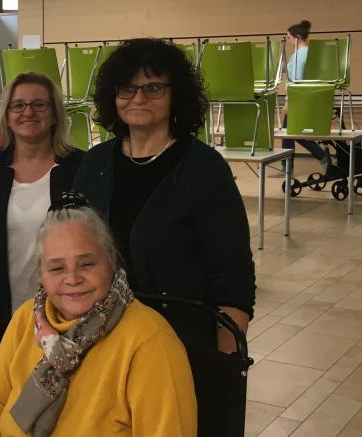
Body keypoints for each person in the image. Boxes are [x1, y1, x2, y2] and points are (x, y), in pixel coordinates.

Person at [73, 37, 255, 436]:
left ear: (176, 96)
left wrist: (225, 365)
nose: (139, 97)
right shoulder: (95, 163)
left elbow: (233, 276)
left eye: (153, 87)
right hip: (101, 345)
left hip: (184, 349)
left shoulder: (205, 170)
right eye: (127, 88)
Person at [0, 194, 196, 437]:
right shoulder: (27, 319)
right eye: (57, 268)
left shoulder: (151, 341)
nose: (72, 279)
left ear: (111, 261)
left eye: (87, 264)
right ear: (41, 275)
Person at [0, 72, 84, 396]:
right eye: (18, 105)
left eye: (39, 104)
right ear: (7, 116)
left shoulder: (80, 168)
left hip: (66, 319)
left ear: (55, 113)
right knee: (1, 407)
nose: (28, 112)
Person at [279, 19, 329, 175]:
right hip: (310, 99)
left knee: (291, 133)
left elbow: (296, 81)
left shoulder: (299, 55)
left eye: (289, 38)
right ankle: (318, 158)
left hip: (298, 99)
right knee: (292, 133)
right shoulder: (311, 53)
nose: (288, 41)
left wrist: (288, 103)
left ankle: (290, 167)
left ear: (298, 37)